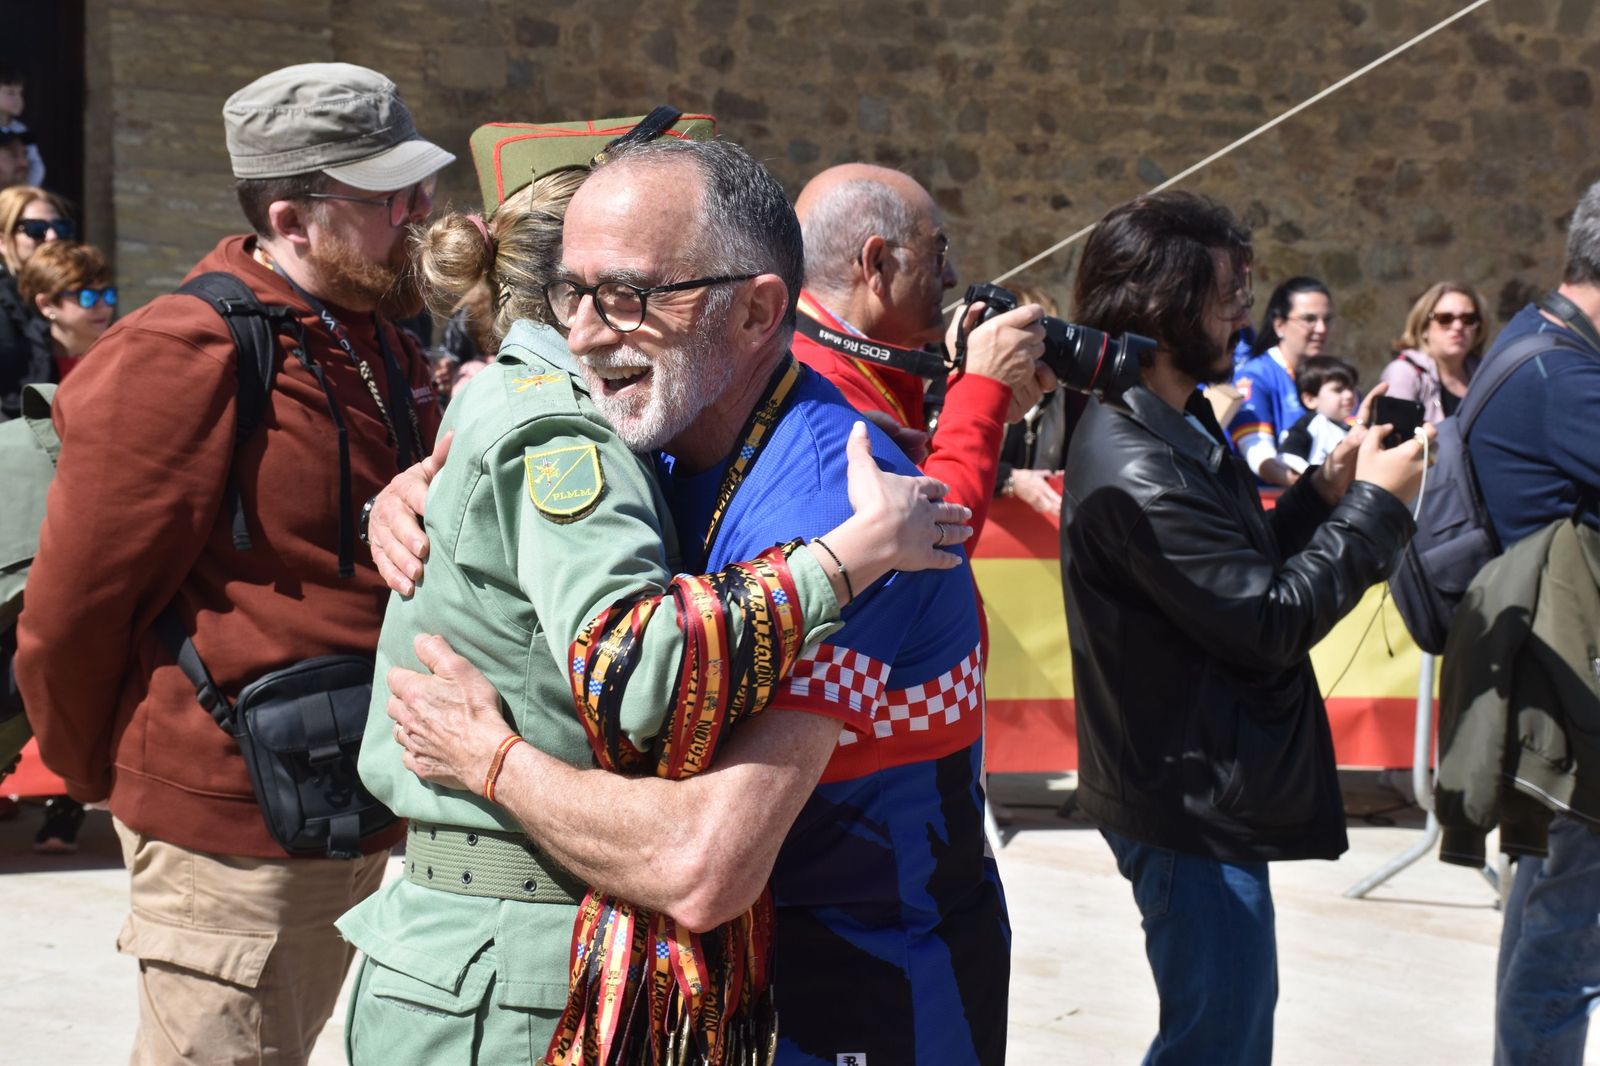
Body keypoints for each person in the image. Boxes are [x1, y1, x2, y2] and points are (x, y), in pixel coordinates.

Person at [380, 134, 1008, 1065]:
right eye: (571, 292)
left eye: (630, 296)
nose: (585, 333)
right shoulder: (664, 431)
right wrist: (417, 492)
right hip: (752, 993)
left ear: (756, 311)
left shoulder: (849, 509)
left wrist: (489, 758)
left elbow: (699, 865)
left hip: (870, 995)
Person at [14, 62, 449, 1064]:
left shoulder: (370, 335)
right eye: (390, 199)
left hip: (343, 804)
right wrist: (103, 773)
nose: (420, 215)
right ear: (293, 220)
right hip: (224, 838)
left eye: (419, 189)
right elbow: (75, 607)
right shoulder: (182, 350)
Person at [1061, 190, 1428, 1065]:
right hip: (1184, 805)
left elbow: (1240, 570)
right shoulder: (1139, 462)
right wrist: (1377, 508)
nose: (1242, 315)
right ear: (1163, 305)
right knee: (1216, 1048)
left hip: (1203, 787)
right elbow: (1267, 621)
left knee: (1223, 1036)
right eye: (1228, 294)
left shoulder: (1173, 418)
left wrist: (1325, 493)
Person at [1463, 181, 1600, 1066]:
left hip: (1556, 681)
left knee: (1548, 916)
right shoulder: (1565, 379)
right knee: (1566, 947)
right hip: (1573, 694)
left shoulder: (1537, 343)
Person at [791, 162, 1049, 547]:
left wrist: (978, 404)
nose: (952, 276)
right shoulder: (819, 387)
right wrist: (980, 391)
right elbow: (935, 538)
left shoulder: (838, 361)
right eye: (938, 252)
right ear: (877, 263)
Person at [1229, 275, 1335, 486]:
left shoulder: (1332, 377)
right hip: (1273, 501)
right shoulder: (1256, 376)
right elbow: (1258, 454)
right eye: (1309, 319)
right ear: (1279, 325)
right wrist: (1312, 489)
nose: (1321, 329)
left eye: (1327, 319)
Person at [992, 281, 1086, 518]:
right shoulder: (973, 388)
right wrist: (1010, 479)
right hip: (980, 528)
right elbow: (946, 461)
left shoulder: (1069, 398)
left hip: (1039, 531)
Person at [0, 184, 73, 419]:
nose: (52, 237)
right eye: (36, 229)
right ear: (3, 240)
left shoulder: (76, 293)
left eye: (61, 227)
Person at [1380, 280, 1488, 424]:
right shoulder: (1403, 373)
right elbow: (1394, 434)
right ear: (1424, 327)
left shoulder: (1484, 372)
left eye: (1468, 319)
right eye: (1445, 318)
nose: (1458, 326)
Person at [1278, 354, 1358, 475]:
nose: (1349, 395)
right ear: (1310, 400)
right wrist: (1311, 478)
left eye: (1351, 388)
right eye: (1338, 390)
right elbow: (1287, 456)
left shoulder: (1351, 429)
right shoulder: (1312, 423)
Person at [0, 66, 44, 187]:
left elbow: (35, 163)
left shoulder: (23, 131)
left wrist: (26, 190)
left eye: (20, 93)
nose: (18, 99)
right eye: (10, 93)